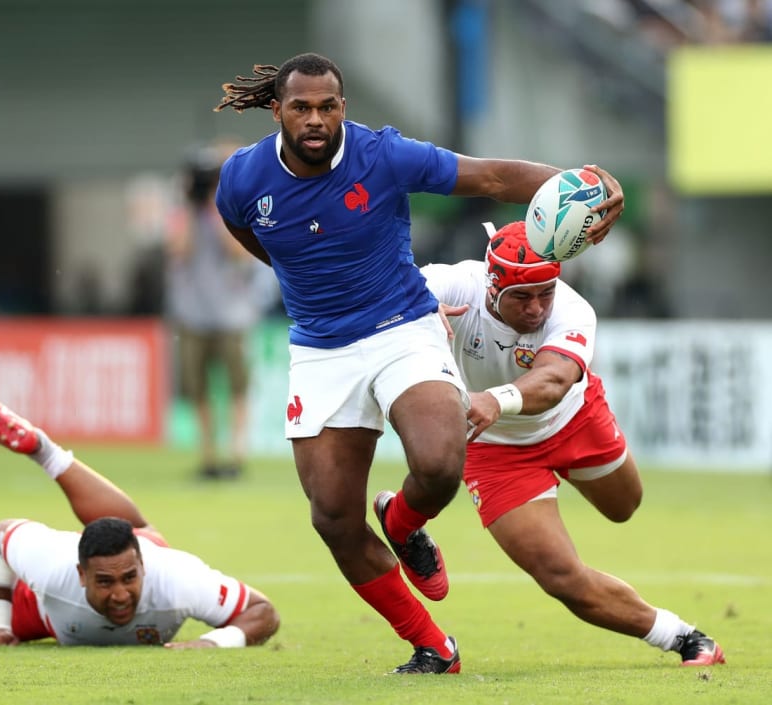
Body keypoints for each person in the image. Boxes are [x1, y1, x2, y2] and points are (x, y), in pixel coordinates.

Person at [211, 52, 625, 674]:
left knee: (439, 463)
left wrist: (577, 184)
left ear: (343, 107)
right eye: (301, 108)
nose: (316, 119)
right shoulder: (242, 179)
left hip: (403, 325)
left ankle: (403, 522)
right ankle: (433, 645)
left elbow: (488, 178)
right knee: (332, 518)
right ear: (278, 112)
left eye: (328, 106)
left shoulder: (382, 155)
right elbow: (245, 229)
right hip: (320, 349)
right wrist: (297, 273)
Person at [419, 219, 725, 667]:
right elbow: (380, 286)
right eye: (521, 297)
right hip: (496, 450)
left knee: (625, 506)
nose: (538, 308)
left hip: (574, 419)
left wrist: (494, 399)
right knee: (561, 578)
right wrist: (417, 311)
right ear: (490, 288)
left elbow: (554, 380)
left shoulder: (574, 309)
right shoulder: (451, 284)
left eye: (546, 292)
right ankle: (684, 638)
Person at [0, 395, 281, 648]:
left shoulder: (176, 577)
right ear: (81, 577)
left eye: (129, 579)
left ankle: (44, 449)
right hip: (49, 615)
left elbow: (263, 612)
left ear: (143, 566)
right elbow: (1, 534)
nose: (120, 595)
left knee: (131, 524)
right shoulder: (52, 567)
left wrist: (216, 645)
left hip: (138, 547)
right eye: (104, 582)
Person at [165, 140, 264, 480]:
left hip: (232, 315)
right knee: (199, 389)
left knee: (238, 387)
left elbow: (237, 252)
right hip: (193, 316)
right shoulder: (181, 215)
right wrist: (193, 208)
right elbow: (179, 251)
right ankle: (208, 456)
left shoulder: (229, 210)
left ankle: (236, 455)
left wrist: (215, 206)